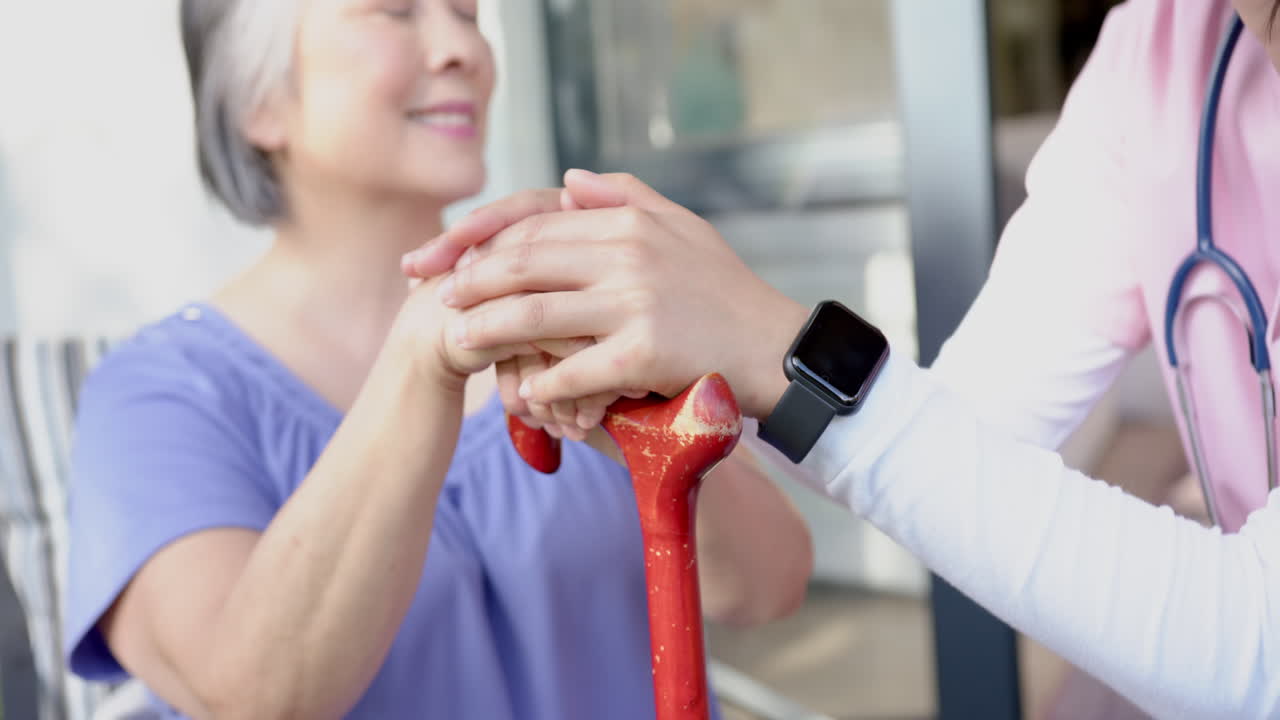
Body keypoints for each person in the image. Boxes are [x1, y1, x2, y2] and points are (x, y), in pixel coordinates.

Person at [400, 0, 1280, 715]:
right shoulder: (1159, 51)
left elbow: (1258, 654)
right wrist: (662, 354)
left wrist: (764, 340)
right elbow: (953, 437)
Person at [61, 1, 812, 717]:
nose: (465, 50)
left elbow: (772, 585)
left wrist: (650, 427)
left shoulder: (571, 312)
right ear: (258, 102)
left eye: (467, 12)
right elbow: (252, 693)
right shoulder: (156, 396)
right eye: (393, 9)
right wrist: (424, 356)